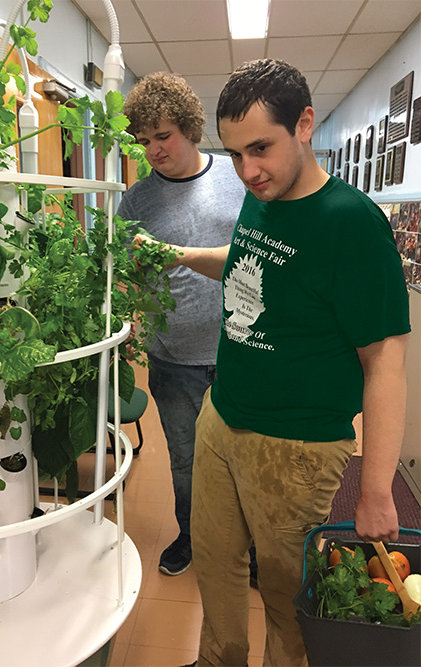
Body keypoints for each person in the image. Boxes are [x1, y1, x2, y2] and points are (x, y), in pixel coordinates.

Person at [135, 59, 410, 666]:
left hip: (297, 446)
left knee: (288, 603)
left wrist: (376, 491)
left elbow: (386, 361)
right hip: (221, 418)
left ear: (304, 124)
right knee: (216, 568)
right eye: (234, 154)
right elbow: (245, 262)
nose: (247, 170)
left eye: (260, 148)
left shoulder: (352, 224)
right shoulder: (264, 197)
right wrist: (180, 255)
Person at [117, 72, 248, 576]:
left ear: (189, 128)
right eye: (143, 140)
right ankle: (191, 536)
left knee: (243, 460)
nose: (153, 149)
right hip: (173, 360)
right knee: (185, 461)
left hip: (242, 349)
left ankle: (248, 548)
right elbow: (126, 274)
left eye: (162, 135)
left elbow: (261, 251)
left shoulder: (235, 177)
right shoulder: (135, 202)